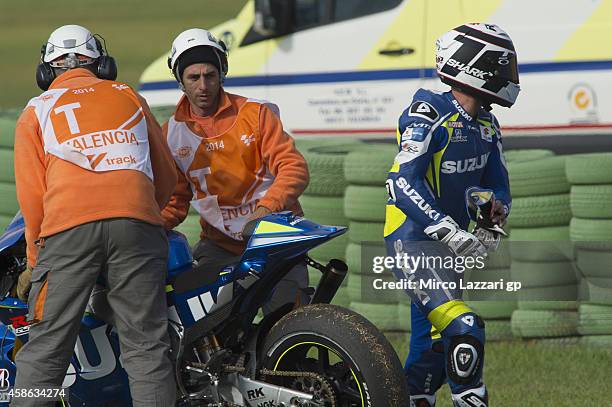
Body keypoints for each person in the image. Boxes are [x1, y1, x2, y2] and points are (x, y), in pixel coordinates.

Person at [12, 25, 177, 406]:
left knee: (47, 349)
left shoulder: (35, 111)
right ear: (102, 64)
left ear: (46, 71)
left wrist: (35, 265)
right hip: (138, 224)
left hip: (67, 231)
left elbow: (33, 203)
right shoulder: (127, 94)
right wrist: (141, 211)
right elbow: (167, 175)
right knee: (147, 349)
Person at [383, 23, 518, 406]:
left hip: (449, 256)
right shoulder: (427, 111)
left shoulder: (488, 124)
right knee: (465, 328)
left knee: (432, 358)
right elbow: (400, 182)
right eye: (502, 67)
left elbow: (498, 187)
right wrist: (447, 230)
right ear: (472, 66)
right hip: (412, 245)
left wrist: (492, 223)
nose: (510, 77)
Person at [162, 29, 310, 314]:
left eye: (211, 75)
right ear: (180, 80)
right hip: (218, 247)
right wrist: (145, 229)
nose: (203, 86)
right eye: (194, 77)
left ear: (222, 74)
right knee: (202, 328)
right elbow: (175, 201)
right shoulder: (170, 135)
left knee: (286, 325)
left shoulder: (256, 114)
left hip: (274, 238)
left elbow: (294, 167)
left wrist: (264, 211)